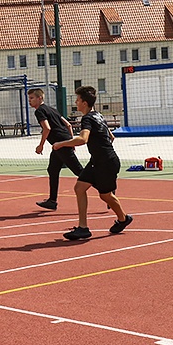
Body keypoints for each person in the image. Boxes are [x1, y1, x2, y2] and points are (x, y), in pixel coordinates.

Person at [53, 86, 132, 240]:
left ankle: (123, 218)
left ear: (84, 102)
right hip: (98, 160)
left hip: (105, 162)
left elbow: (83, 139)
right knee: (79, 188)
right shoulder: (98, 115)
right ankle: (83, 228)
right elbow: (111, 137)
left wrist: (62, 144)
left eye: (77, 99)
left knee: (105, 195)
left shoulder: (88, 118)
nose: (76, 102)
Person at [28, 88, 84, 210]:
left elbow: (47, 128)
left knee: (79, 171)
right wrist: (71, 140)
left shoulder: (40, 111)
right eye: (29, 98)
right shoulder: (52, 109)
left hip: (60, 144)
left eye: (32, 98)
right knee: (52, 169)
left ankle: (106, 190)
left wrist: (41, 145)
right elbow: (68, 125)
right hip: (59, 145)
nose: (29, 101)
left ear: (40, 98)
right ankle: (52, 201)